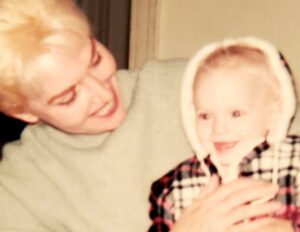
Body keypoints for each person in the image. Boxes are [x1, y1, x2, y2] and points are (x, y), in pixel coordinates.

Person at [0, 1, 287, 231]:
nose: (102, 94)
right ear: (23, 111)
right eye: (68, 97)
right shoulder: (21, 187)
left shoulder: (192, 85)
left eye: (95, 59)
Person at [149, 37, 300, 232]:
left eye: (236, 113)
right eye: (205, 116)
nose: (219, 129)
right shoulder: (175, 186)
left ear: (274, 114)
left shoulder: (294, 162)